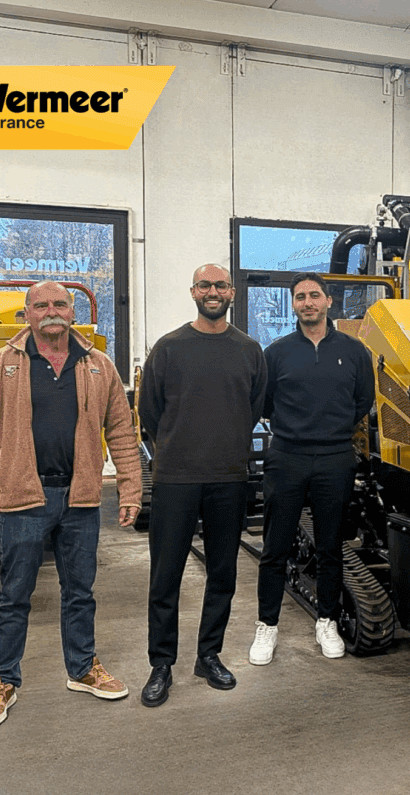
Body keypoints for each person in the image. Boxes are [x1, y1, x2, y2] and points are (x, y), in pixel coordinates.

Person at [0, 280, 142, 729]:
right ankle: (3, 679)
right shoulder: (0, 366)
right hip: (22, 500)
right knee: (14, 595)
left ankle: (82, 669)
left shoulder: (98, 367)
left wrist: (131, 489)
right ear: (27, 313)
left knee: (81, 592)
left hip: (81, 498)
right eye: (42, 305)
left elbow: (122, 432)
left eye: (60, 303)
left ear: (72, 312)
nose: (51, 311)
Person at [137, 264, 266, 707]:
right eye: (205, 285)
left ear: (231, 292)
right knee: (165, 576)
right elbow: (149, 412)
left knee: (223, 574)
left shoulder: (249, 350)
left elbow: (253, 406)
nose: (213, 291)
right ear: (193, 290)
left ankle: (208, 654)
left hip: (229, 478)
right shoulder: (169, 348)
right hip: (175, 479)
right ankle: (161, 663)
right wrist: (176, 448)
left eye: (221, 285)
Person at [249, 272, 375, 666]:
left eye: (314, 296)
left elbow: (362, 402)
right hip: (287, 456)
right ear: (294, 304)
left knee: (330, 547)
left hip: (335, 457)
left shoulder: (355, 352)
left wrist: (330, 432)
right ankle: (267, 626)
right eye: (300, 297)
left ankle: (327, 621)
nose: (308, 302)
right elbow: (265, 405)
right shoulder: (277, 353)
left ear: (328, 302)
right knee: (275, 548)